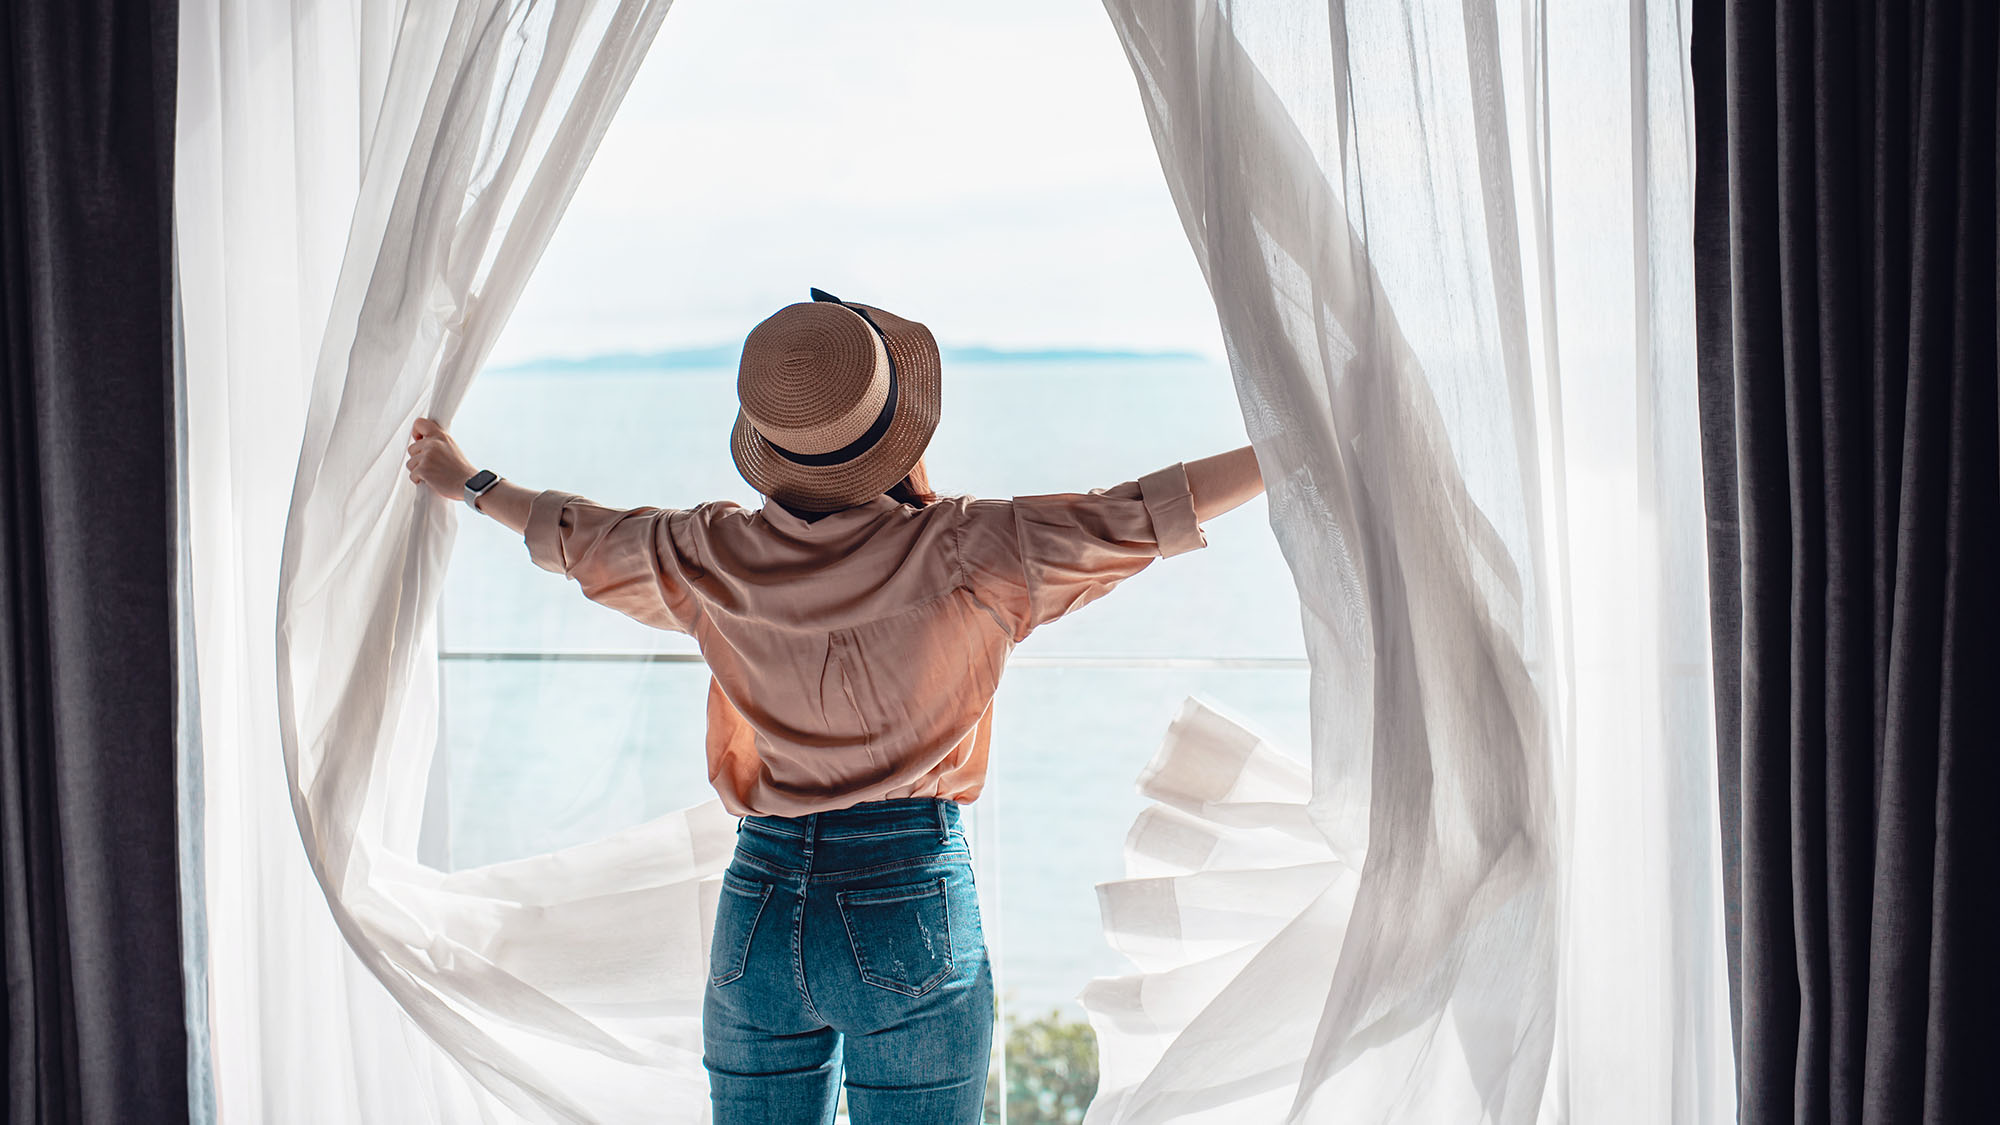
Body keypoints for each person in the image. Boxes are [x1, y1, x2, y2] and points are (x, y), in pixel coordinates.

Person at [404, 288, 1266, 1124]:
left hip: (759, 905)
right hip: (907, 901)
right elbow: (1149, 511)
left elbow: (575, 533)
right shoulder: (972, 548)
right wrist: (1291, 449)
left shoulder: (709, 555)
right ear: (892, 432)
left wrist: (467, 479)